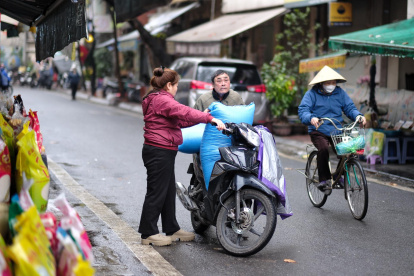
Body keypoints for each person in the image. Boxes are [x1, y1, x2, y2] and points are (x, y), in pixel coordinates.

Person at [139, 66, 225, 246]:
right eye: (176, 85)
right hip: (158, 151)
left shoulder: (158, 99)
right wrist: (209, 119)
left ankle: (171, 228)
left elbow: (181, 119)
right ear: (169, 85)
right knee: (157, 191)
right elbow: (183, 111)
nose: (177, 88)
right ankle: (148, 233)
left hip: (163, 150)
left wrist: (203, 116)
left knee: (168, 191)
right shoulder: (162, 100)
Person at [298, 65, 366, 194]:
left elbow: (349, 107)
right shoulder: (311, 94)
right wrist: (311, 118)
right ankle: (324, 180)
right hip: (318, 129)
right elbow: (303, 110)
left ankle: (338, 176)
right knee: (323, 149)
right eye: (328, 82)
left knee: (347, 150)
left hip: (336, 130)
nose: (331, 85)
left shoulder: (340, 93)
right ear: (321, 83)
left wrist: (358, 115)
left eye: (333, 82)